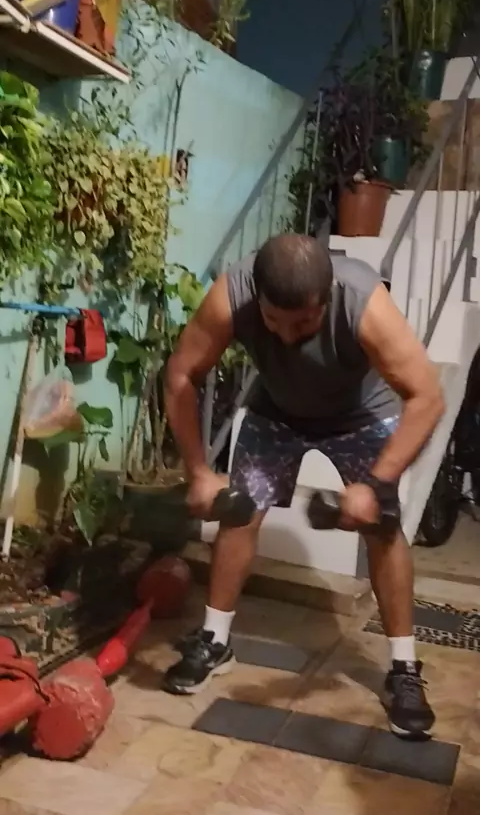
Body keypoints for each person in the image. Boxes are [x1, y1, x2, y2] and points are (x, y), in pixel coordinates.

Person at [163, 233, 445, 739]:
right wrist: (199, 471)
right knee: (239, 511)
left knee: (382, 528)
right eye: (274, 322)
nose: (288, 336)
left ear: (327, 297)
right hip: (276, 411)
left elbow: (427, 396)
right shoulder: (232, 295)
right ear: (259, 298)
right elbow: (182, 374)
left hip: (361, 415)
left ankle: (403, 669)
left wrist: (376, 485)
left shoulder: (363, 301)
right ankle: (214, 640)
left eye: (305, 323)